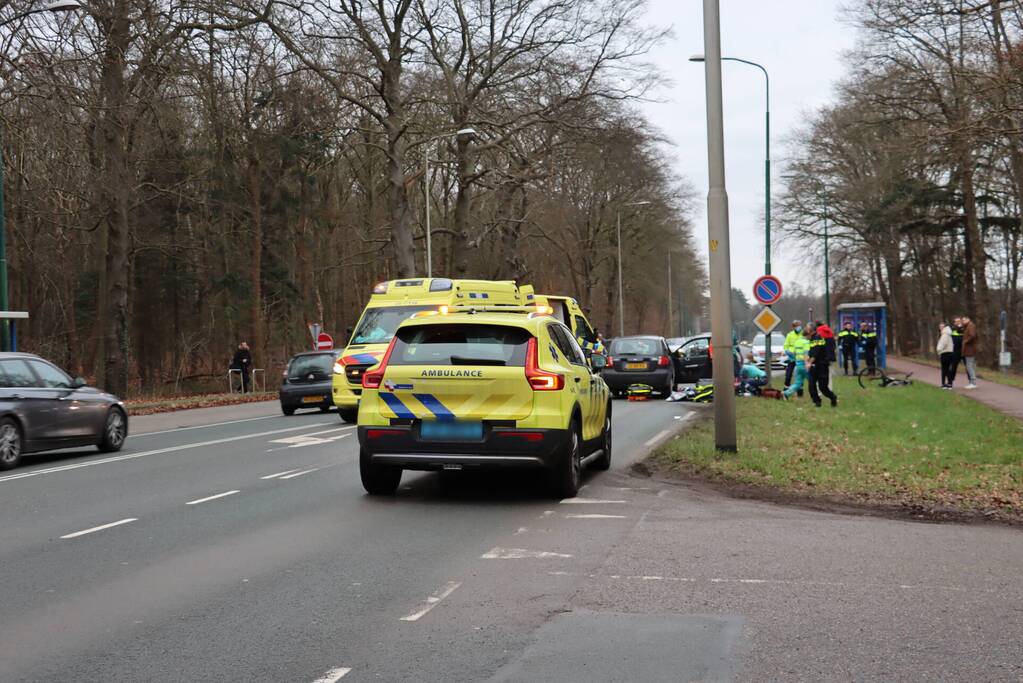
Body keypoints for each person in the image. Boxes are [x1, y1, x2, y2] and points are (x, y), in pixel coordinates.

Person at [806, 322, 838, 408]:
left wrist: (809, 362)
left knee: (823, 388)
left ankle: (833, 397)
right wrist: (808, 360)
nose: (806, 329)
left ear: (810, 329)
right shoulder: (811, 338)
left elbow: (816, 352)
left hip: (822, 365)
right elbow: (811, 352)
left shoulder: (818, 337)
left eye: (807, 328)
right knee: (811, 385)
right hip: (814, 366)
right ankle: (817, 402)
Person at [782, 327, 811, 400]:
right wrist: (807, 364)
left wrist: (794, 359)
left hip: (798, 365)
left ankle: (785, 393)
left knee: (797, 383)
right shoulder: (806, 342)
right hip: (804, 365)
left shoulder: (797, 342)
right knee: (812, 381)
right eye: (810, 336)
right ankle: (816, 397)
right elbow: (805, 354)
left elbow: (794, 353)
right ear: (807, 335)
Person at [783, 320, 804, 391]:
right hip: (792, 358)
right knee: (788, 375)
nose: (799, 327)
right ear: (793, 327)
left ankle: (800, 391)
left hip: (800, 358)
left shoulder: (803, 334)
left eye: (799, 325)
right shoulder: (789, 335)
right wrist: (788, 352)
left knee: (800, 375)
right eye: (797, 326)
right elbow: (786, 346)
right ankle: (786, 389)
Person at [961, 315, 978, 389]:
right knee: (970, 365)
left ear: (968, 319)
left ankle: (973, 383)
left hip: (970, 349)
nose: (963, 322)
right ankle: (972, 382)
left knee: (969, 366)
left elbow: (972, 336)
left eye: (964, 320)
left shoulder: (971, 326)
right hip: (969, 349)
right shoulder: (967, 326)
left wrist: (965, 341)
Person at [936, 321, 955, 389]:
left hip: (945, 353)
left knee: (945, 369)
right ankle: (948, 383)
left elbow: (942, 344)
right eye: (940, 326)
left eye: (942, 327)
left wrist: (938, 349)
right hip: (949, 352)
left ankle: (946, 384)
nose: (940, 328)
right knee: (946, 369)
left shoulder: (945, 334)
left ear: (944, 327)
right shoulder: (948, 334)